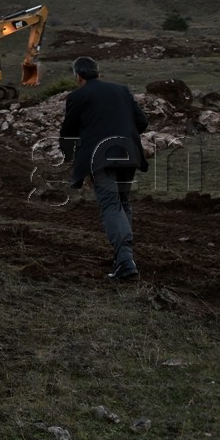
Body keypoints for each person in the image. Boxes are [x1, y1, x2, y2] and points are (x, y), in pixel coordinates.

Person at [59, 56, 149, 282]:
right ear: (99, 72)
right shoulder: (121, 90)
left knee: (111, 205)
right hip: (129, 152)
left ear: (78, 76)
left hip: (100, 156)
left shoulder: (77, 96)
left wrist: (70, 154)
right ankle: (123, 257)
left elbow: (68, 131)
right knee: (123, 202)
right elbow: (143, 122)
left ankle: (126, 262)